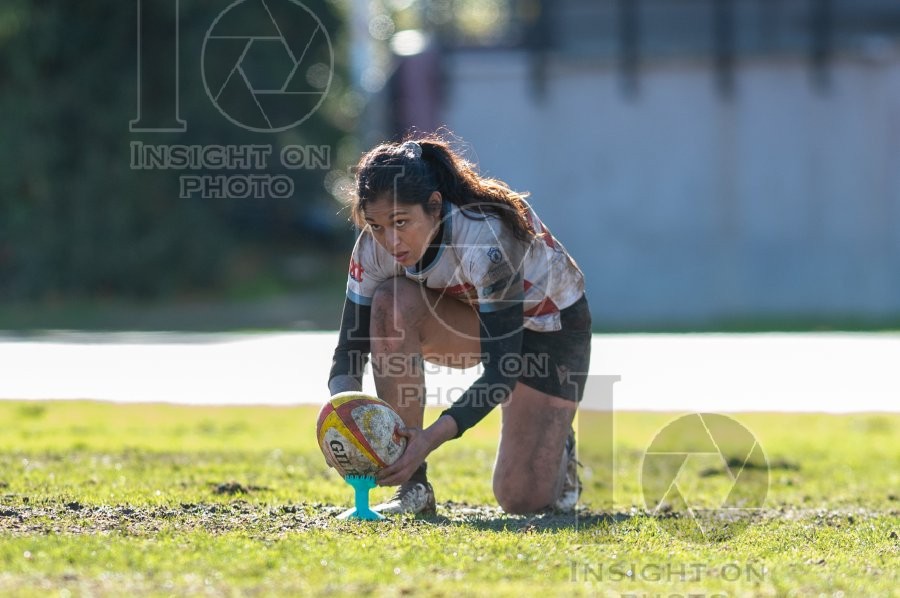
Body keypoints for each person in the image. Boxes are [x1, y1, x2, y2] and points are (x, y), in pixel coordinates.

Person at [327, 134, 592, 515]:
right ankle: (413, 488)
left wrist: (428, 438)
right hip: (475, 319)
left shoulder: (484, 237)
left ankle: (558, 445)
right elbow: (349, 351)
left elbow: (503, 370)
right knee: (390, 302)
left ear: (435, 207)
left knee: (521, 498)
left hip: (549, 328)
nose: (390, 240)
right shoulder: (373, 246)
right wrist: (340, 419)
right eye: (377, 225)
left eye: (401, 222)